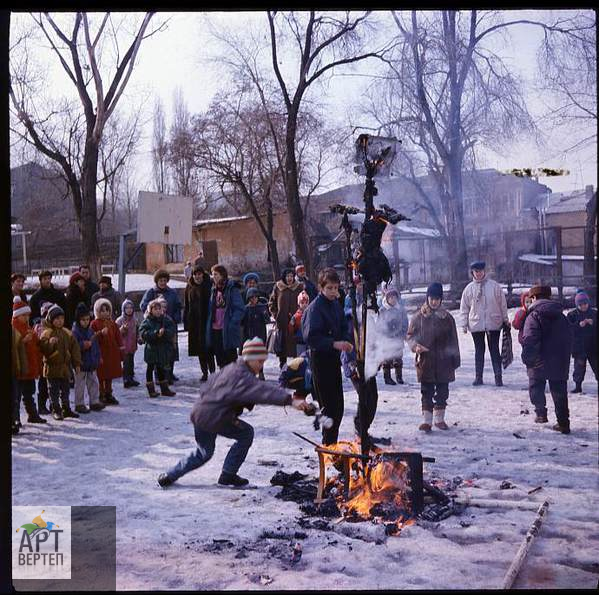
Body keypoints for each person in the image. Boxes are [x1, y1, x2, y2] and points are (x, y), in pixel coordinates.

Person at [157, 337, 309, 489]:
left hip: (201, 414)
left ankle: (169, 475)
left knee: (203, 453)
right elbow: (263, 392)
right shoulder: (241, 376)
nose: (261, 366)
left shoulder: (232, 368)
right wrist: (291, 400)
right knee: (246, 433)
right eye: (260, 362)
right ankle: (228, 474)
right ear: (249, 359)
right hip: (215, 418)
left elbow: (207, 386)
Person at [301, 268, 353, 445]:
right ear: (321, 288)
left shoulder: (336, 305)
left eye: (336, 287)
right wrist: (333, 343)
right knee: (328, 409)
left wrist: (346, 340)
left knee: (338, 408)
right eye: (329, 288)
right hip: (320, 361)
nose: (333, 291)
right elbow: (311, 337)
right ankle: (328, 448)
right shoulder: (314, 308)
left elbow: (343, 326)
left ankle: (332, 446)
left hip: (333, 361)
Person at [406, 282, 461, 432]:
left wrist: (455, 359)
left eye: (437, 298)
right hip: (426, 361)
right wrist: (415, 346)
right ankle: (427, 421)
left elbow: (454, 340)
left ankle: (439, 419)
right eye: (432, 298)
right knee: (427, 391)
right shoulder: (418, 317)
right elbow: (410, 336)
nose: (434, 301)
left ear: (441, 299)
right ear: (427, 298)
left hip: (444, 361)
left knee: (442, 391)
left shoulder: (448, 318)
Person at [521, 285, 572, 433]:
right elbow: (569, 337)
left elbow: (530, 339)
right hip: (560, 359)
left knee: (536, 386)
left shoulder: (533, 316)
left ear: (534, 298)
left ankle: (541, 414)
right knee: (559, 391)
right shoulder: (561, 316)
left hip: (539, 360)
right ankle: (563, 423)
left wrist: (528, 359)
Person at [459, 261, 509, 386]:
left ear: (484, 271)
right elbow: (464, 307)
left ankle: (498, 376)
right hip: (476, 324)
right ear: (473, 273)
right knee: (479, 350)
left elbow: (502, 303)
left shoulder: (494, 286)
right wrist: (464, 324)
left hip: (494, 322)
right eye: (476, 271)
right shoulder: (469, 289)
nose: (479, 274)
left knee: (494, 349)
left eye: (481, 271)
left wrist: (505, 319)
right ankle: (478, 377)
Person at [39, 304, 82, 420]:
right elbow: (42, 349)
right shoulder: (46, 333)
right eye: (57, 319)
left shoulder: (67, 333)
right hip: (52, 367)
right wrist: (50, 344)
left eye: (61, 318)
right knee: (53, 390)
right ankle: (55, 409)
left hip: (65, 367)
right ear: (51, 320)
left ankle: (66, 408)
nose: (59, 321)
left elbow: (75, 348)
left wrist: (77, 363)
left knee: (66, 389)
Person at [140, 270, 182, 383]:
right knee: (158, 350)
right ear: (156, 281)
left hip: (169, 324)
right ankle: (159, 375)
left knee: (171, 349)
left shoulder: (172, 293)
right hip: (156, 325)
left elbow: (178, 306)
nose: (163, 283)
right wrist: (151, 315)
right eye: (160, 280)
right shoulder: (151, 292)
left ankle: (169, 373)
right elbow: (143, 305)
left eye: (164, 280)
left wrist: (176, 318)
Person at [12, 297, 47, 426]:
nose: (27, 318)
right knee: (16, 396)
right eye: (24, 315)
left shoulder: (29, 328)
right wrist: (23, 341)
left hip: (29, 368)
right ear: (17, 316)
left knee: (29, 394)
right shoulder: (14, 329)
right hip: (20, 368)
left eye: (28, 315)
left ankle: (32, 414)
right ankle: (15, 419)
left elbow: (37, 344)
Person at [206, 264, 245, 369]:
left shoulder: (231, 289)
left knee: (230, 356)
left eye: (216, 274)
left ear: (223, 275)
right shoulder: (214, 289)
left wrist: (232, 322)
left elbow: (240, 308)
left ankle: (232, 380)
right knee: (219, 356)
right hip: (215, 328)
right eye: (213, 274)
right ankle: (224, 379)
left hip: (227, 327)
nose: (213, 276)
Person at [71, 302, 105, 413]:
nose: (86, 322)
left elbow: (95, 345)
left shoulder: (90, 330)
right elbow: (73, 346)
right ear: (78, 320)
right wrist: (82, 345)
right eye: (83, 320)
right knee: (80, 385)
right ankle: (79, 403)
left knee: (94, 383)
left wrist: (98, 357)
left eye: (87, 319)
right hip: (80, 363)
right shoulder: (75, 332)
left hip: (91, 362)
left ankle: (94, 401)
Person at [139, 299, 177, 398]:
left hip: (161, 349)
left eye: (159, 309)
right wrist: (155, 333)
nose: (158, 311)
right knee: (150, 368)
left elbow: (172, 329)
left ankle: (164, 389)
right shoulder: (147, 321)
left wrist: (164, 333)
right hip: (151, 349)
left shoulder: (165, 320)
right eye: (155, 309)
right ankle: (151, 389)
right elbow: (143, 333)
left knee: (161, 368)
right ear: (150, 310)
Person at [183, 265, 215, 382]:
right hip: (194, 322)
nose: (197, 276)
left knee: (209, 348)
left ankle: (212, 372)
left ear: (203, 274)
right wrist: (186, 320)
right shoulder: (189, 287)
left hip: (207, 320)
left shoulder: (209, 285)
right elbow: (186, 305)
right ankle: (204, 372)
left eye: (199, 274)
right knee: (199, 350)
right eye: (195, 274)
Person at [91, 298, 124, 406]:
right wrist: (100, 333)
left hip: (112, 352)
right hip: (101, 352)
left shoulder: (112, 323)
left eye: (107, 310)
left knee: (110, 374)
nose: (105, 313)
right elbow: (92, 337)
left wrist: (121, 346)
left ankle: (109, 393)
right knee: (101, 375)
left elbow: (117, 335)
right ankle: (101, 394)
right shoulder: (94, 323)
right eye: (102, 311)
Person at [269, 268, 304, 369]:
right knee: (282, 345)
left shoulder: (299, 287)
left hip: (296, 321)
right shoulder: (278, 287)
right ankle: (282, 365)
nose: (289, 278)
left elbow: (304, 300)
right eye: (287, 276)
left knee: (295, 345)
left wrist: (301, 314)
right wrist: (276, 315)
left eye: (291, 276)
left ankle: (296, 367)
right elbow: (272, 302)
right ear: (284, 277)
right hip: (282, 321)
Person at [566, 290, 597, 393]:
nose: (583, 306)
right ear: (577, 305)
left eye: (585, 304)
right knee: (579, 368)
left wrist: (594, 323)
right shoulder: (572, 315)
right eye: (581, 304)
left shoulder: (594, 313)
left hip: (593, 346)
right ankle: (578, 386)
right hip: (579, 347)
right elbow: (568, 329)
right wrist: (578, 325)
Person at [377, 287, 409, 385]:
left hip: (398, 337)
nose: (392, 299)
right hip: (387, 338)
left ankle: (399, 376)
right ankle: (387, 377)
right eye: (390, 297)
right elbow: (379, 324)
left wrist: (403, 334)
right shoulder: (383, 310)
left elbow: (405, 323)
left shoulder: (401, 310)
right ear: (386, 298)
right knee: (387, 359)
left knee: (398, 358)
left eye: (394, 297)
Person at [241, 287, 271, 380]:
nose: (254, 299)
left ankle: (261, 372)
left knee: (259, 355)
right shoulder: (246, 309)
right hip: (249, 335)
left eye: (255, 297)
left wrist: (265, 313)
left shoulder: (261, 307)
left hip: (260, 334)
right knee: (250, 355)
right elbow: (242, 323)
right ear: (248, 299)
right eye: (251, 298)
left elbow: (267, 320)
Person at [33, 302, 54, 414]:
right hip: (42, 361)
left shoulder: (55, 327)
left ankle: (53, 404)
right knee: (43, 384)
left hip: (53, 360)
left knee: (53, 384)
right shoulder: (39, 327)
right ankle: (41, 405)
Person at [116, 299, 141, 388]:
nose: (129, 310)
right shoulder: (119, 320)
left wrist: (139, 339)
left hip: (132, 345)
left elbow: (137, 331)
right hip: (124, 345)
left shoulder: (135, 320)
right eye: (127, 308)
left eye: (131, 308)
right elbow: (116, 333)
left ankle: (131, 377)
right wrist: (122, 329)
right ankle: (126, 379)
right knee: (126, 363)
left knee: (131, 362)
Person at [12, 324, 28, 434]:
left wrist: (23, 368)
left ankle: (14, 421)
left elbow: (21, 352)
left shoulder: (14, 333)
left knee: (14, 398)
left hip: (13, 371)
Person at [289, 290, 310, 356]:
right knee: (301, 359)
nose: (304, 304)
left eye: (306, 302)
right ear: (299, 303)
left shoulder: (311, 314)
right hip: (300, 341)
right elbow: (291, 328)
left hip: (309, 341)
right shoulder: (296, 316)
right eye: (302, 303)